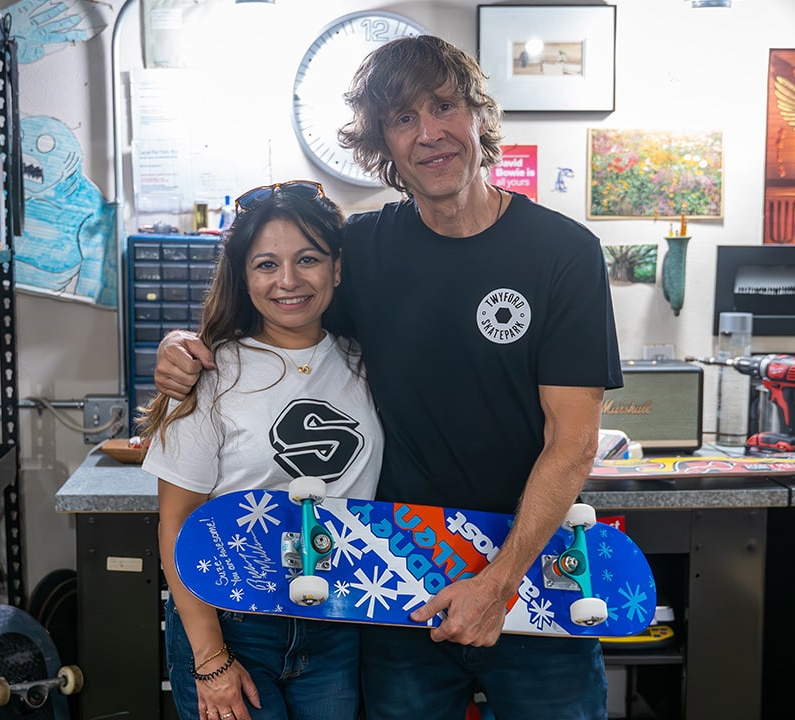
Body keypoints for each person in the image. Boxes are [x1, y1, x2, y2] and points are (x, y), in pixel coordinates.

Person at [154, 35, 621, 720]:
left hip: (532, 580)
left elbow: (573, 441)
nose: (429, 133)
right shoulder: (365, 251)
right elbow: (275, 311)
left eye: (444, 107)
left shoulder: (563, 254)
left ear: (479, 119)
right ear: (383, 145)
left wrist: (497, 583)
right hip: (395, 588)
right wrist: (180, 343)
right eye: (403, 119)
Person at [141, 181, 383, 720]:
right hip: (231, 623)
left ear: (337, 268)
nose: (288, 281)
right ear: (244, 276)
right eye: (267, 264)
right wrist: (211, 659)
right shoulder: (211, 375)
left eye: (308, 260)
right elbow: (177, 523)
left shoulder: (371, 364)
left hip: (336, 621)